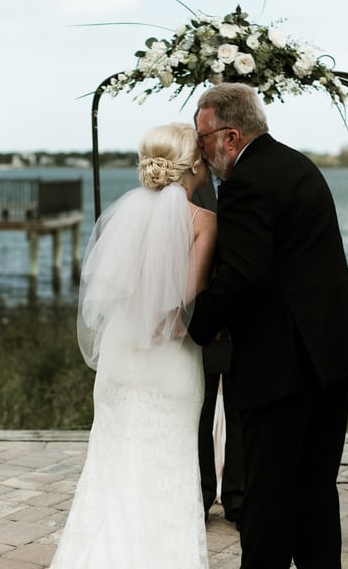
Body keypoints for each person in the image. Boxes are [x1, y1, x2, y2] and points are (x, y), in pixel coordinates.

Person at [187, 83, 348, 569]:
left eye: (203, 136)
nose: (200, 147)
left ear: (229, 135)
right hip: (328, 357)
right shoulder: (297, 164)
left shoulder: (247, 181)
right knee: (314, 488)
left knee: (268, 497)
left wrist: (195, 323)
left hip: (282, 365)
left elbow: (244, 276)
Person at [50, 123, 217, 568]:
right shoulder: (205, 222)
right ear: (195, 165)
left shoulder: (122, 217)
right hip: (168, 365)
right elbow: (184, 306)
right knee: (168, 466)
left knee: (111, 467)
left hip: (121, 360)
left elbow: (113, 296)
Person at [193, 173, 244, 526]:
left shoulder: (249, 182)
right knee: (199, 408)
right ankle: (200, 493)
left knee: (242, 411)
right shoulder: (190, 188)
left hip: (245, 318)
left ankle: (238, 498)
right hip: (201, 318)